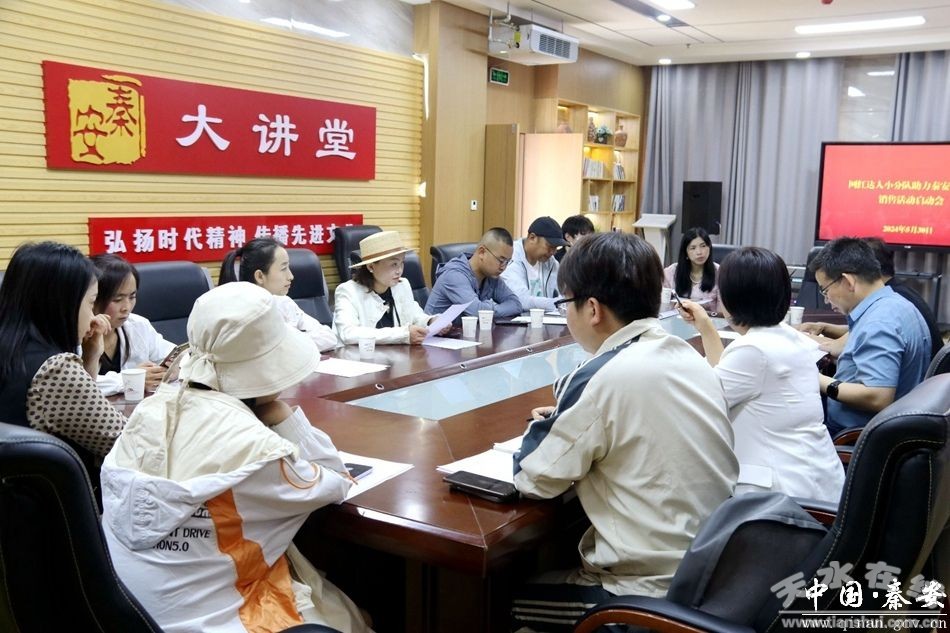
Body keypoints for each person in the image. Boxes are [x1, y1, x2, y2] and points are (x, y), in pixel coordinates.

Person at [100, 282, 373, 633]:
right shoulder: (260, 454)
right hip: (217, 620)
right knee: (355, 617)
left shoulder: (146, 413)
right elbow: (338, 479)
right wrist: (283, 417)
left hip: (126, 615)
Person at [510, 232, 737, 631]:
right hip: (713, 573)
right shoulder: (687, 356)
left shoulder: (602, 376)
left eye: (566, 303)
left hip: (645, 594)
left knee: (499, 600)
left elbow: (534, 478)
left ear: (592, 309)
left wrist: (547, 424)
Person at [679, 247, 844, 503]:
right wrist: (705, 325)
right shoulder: (788, 338)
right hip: (815, 482)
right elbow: (725, 378)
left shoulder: (753, 351)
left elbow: (705, 404)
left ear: (734, 298)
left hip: (778, 500)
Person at [0, 241, 126, 464]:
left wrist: (90, 357)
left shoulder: (11, 347)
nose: (93, 317)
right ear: (62, 304)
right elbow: (124, 442)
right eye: (91, 303)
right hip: (54, 486)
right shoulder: (54, 370)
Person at [807, 237, 930, 436]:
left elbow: (877, 397)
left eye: (825, 290)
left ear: (848, 281)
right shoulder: (895, 304)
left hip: (852, 434)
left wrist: (814, 378)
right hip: (880, 424)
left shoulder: (879, 322)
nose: (827, 299)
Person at [800, 237, 943, 361]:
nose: (826, 299)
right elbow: (860, 334)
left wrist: (795, 338)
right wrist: (824, 327)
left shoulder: (885, 313)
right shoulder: (896, 296)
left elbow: (851, 342)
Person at [219, 237, 338, 351]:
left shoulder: (283, 303)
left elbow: (329, 337)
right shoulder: (241, 315)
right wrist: (295, 340)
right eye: (283, 268)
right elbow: (271, 350)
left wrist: (290, 341)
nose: (291, 276)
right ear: (260, 276)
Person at [334, 230, 444, 345]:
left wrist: (431, 321)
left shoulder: (402, 285)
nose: (399, 271)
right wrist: (403, 334)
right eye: (394, 264)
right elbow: (349, 334)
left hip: (398, 354)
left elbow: (415, 316)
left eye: (402, 263)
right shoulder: (348, 291)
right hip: (361, 355)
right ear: (371, 267)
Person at [90, 253, 175, 395]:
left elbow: (173, 356)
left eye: (132, 297)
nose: (127, 307)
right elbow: (76, 384)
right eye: (117, 299)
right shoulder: (76, 333)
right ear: (93, 298)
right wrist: (133, 379)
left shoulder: (138, 325)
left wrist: (172, 368)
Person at [425, 227, 522, 321]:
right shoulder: (454, 275)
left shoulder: (492, 276)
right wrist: (490, 308)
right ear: (482, 252)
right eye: (501, 260)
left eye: (507, 261)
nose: (503, 267)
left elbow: (516, 304)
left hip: (466, 331)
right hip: (436, 332)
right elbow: (477, 312)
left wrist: (487, 309)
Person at [500, 216, 568, 311]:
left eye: (556, 248)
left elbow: (564, 293)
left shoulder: (551, 262)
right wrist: (557, 303)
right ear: (532, 238)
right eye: (550, 246)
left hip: (545, 318)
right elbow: (520, 300)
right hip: (515, 319)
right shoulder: (511, 256)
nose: (553, 252)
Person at [664, 226, 719, 312]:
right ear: (685, 253)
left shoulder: (720, 273)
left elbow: (723, 312)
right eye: (693, 248)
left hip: (708, 319)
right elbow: (663, 306)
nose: (699, 252)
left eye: (703, 246)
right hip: (676, 318)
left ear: (709, 248)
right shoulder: (671, 272)